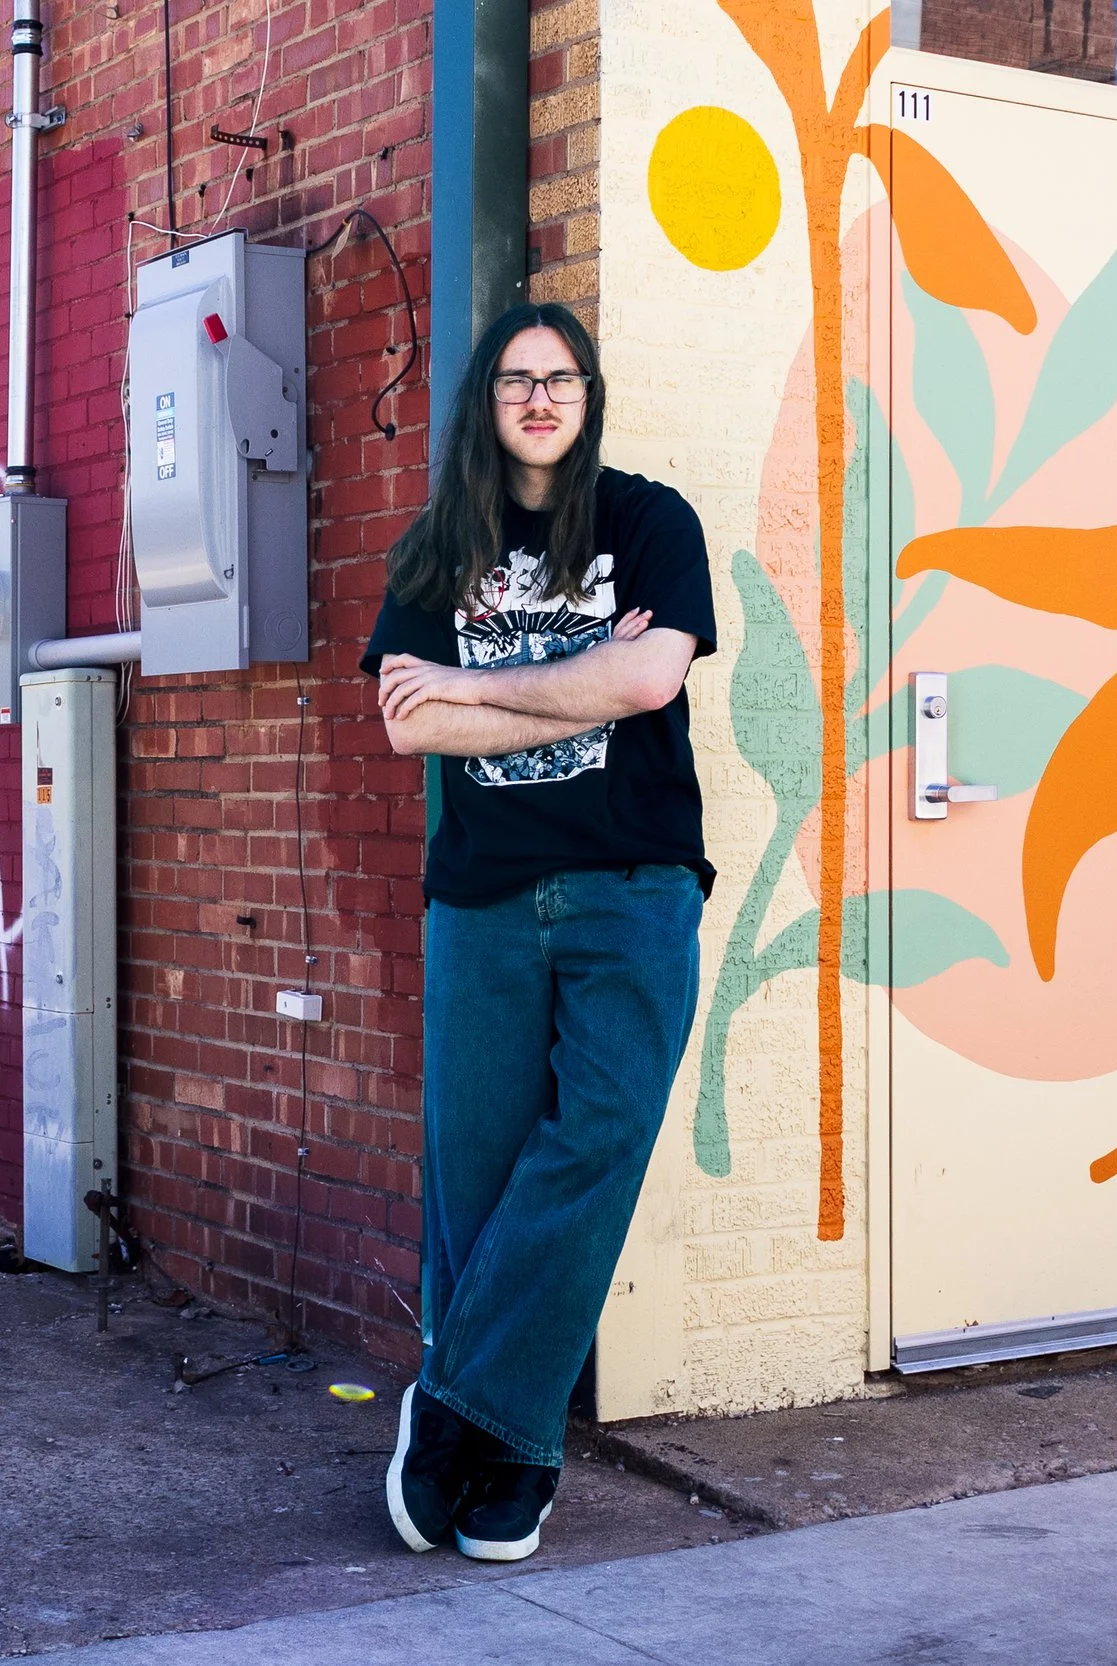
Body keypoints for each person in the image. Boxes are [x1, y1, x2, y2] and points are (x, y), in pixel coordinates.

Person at [361, 302, 714, 1562]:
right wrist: (556, 684)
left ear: (588, 394)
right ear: (487, 401)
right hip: (486, 905)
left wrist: (467, 682)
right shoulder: (433, 548)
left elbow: (646, 680)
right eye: (516, 378)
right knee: (478, 1178)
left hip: (631, 888)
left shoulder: (648, 522)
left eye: (560, 376)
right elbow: (410, 729)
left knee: (599, 1139)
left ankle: (453, 1411)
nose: (540, 397)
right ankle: (512, 1455)